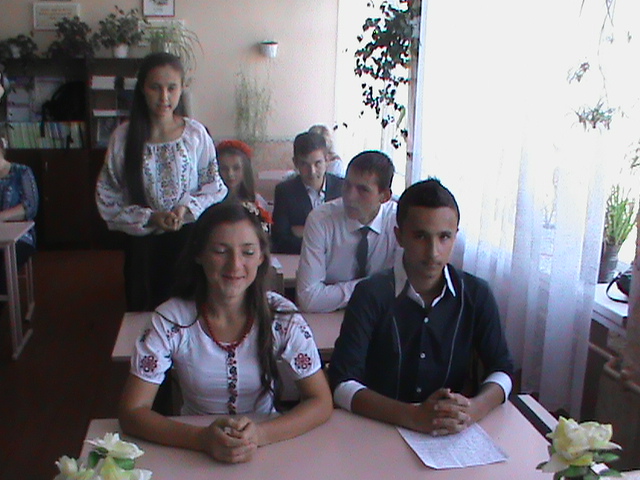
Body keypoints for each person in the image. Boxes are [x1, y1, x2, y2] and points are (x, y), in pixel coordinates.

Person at [119, 201, 333, 463]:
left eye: (248, 252)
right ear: (199, 254)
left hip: (267, 449)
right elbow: (132, 411)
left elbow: (320, 401)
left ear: (262, 256)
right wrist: (200, 439)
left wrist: (261, 434)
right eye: (220, 251)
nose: (235, 265)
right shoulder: (170, 320)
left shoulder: (282, 317)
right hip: (192, 450)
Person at [328, 178, 514, 436]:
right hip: (377, 429)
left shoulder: (476, 294)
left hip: (450, 433)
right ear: (399, 236)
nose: (433, 252)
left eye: (444, 237)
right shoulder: (370, 294)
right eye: (420, 236)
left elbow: (503, 369)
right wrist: (413, 416)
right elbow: (341, 383)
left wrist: (475, 408)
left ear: (456, 236)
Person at [96, 52, 227, 311]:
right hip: (143, 250)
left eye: (171, 88)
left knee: (190, 314)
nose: (164, 97)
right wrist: (151, 217)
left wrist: (185, 209)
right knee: (146, 317)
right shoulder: (123, 138)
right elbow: (108, 197)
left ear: (181, 89)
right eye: (155, 87)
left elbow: (214, 186)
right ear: (142, 89)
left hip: (190, 244)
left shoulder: (195, 134)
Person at [296, 150, 399, 312]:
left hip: (381, 315)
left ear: (384, 196)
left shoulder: (397, 222)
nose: (350, 196)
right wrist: (374, 287)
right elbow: (308, 298)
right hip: (327, 318)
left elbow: (402, 286)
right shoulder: (321, 220)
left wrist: (333, 293)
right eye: (347, 185)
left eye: (363, 190)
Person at [271, 131, 343, 254]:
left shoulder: (342, 188)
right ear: (295, 163)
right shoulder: (285, 192)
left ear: (327, 160)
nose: (312, 171)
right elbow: (280, 240)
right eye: (304, 164)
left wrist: (304, 232)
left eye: (318, 163)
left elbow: (349, 233)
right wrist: (327, 238)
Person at [0, 137, 39, 292]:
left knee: (3, 264)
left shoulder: (22, 171)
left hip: (20, 237)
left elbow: (30, 207)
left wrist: (2, 216)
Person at [217, 139, 271, 225]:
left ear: (245, 170)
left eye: (236, 168)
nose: (230, 174)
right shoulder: (210, 200)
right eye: (224, 168)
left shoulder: (256, 201)